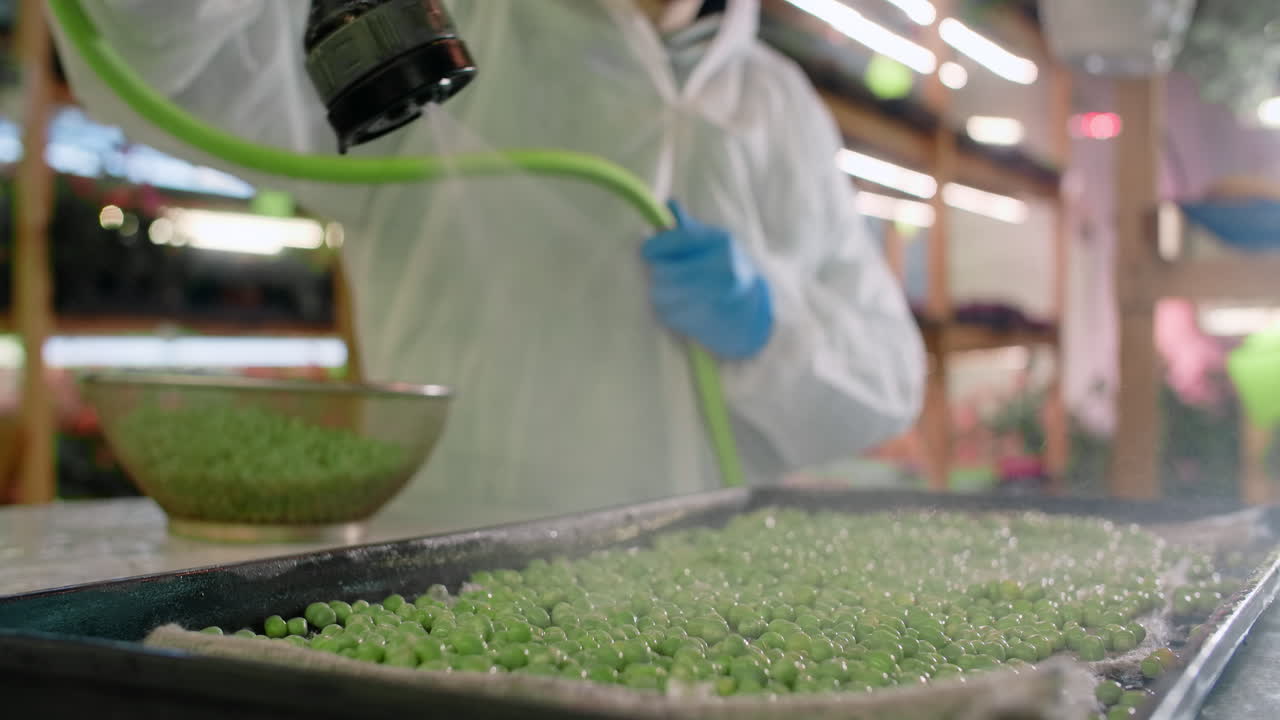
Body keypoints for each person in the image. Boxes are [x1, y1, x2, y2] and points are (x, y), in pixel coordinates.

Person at [50, 0, 924, 532]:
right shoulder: (435, 25)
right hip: (453, 572)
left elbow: (887, 376)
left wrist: (775, 328)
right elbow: (177, 53)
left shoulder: (781, 106)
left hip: (712, 582)